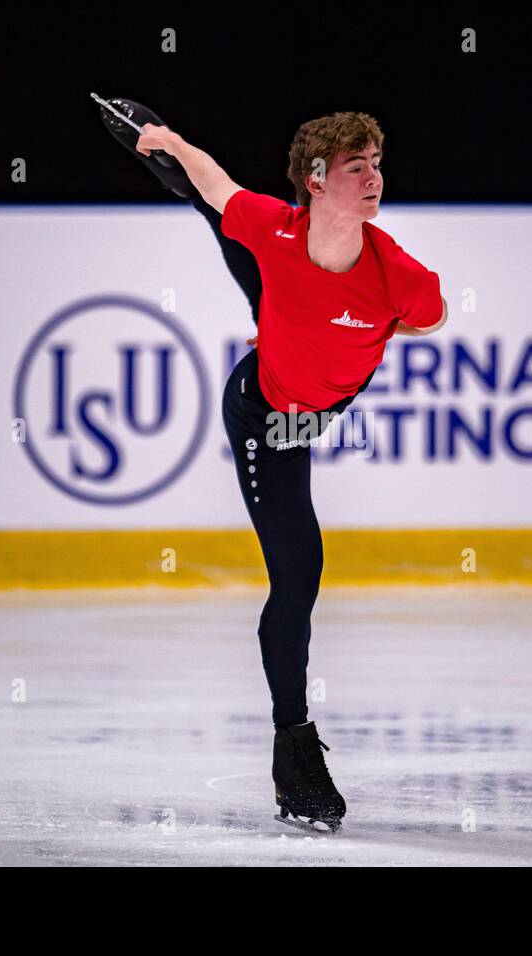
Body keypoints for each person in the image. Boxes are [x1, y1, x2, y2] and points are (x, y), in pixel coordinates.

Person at [100, 98, 447, 831]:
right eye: (358, 168)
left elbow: (433, 315)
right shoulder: (278, 226)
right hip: (265, 415)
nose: (375, 177)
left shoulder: (396, 272)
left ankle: (159, 147)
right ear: (317, 182)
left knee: (247, 248)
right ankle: (294, 746)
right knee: (299, 577)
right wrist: (173, 140)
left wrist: (363, 322)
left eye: (378, 164)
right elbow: (219, 186)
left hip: (304, 362)